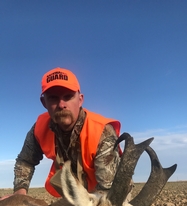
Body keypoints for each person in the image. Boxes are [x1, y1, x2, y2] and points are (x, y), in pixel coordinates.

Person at [1, 67, 121, 199]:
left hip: (106, 193)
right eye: (53, 98)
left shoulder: (101, 131)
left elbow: (109, 190)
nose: (61, 104)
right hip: (75, 194)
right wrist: (19, 194)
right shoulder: (40, 128)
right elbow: (25, 161)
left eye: (68, 96)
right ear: (44, 103)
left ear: (80, 100)